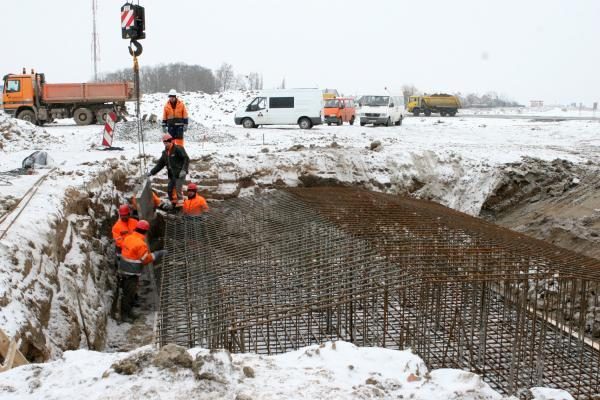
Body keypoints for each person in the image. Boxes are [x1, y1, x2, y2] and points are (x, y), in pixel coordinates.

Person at [118, 220, 167, 322]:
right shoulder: (141, 244)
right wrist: (157, 254)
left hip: (123, 269)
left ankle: (129, 312)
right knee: (128, 294)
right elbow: (145, 260)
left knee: (129, 292)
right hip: (131, 272)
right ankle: (125, 316)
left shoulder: (129, 237)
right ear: (145, 231)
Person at [147, 134, 190, 209]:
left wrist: (184, 170)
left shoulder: (178, 148)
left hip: (180, 173)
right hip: (172, 175)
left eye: (168, 141)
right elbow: (160, 165)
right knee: (169, 189)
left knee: (178, 189)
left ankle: (180, 207)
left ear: (171, 141)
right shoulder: (165, 153)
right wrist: (151, 172)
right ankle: (173, 203)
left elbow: (186, 159)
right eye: (164, 142)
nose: (166, 143)